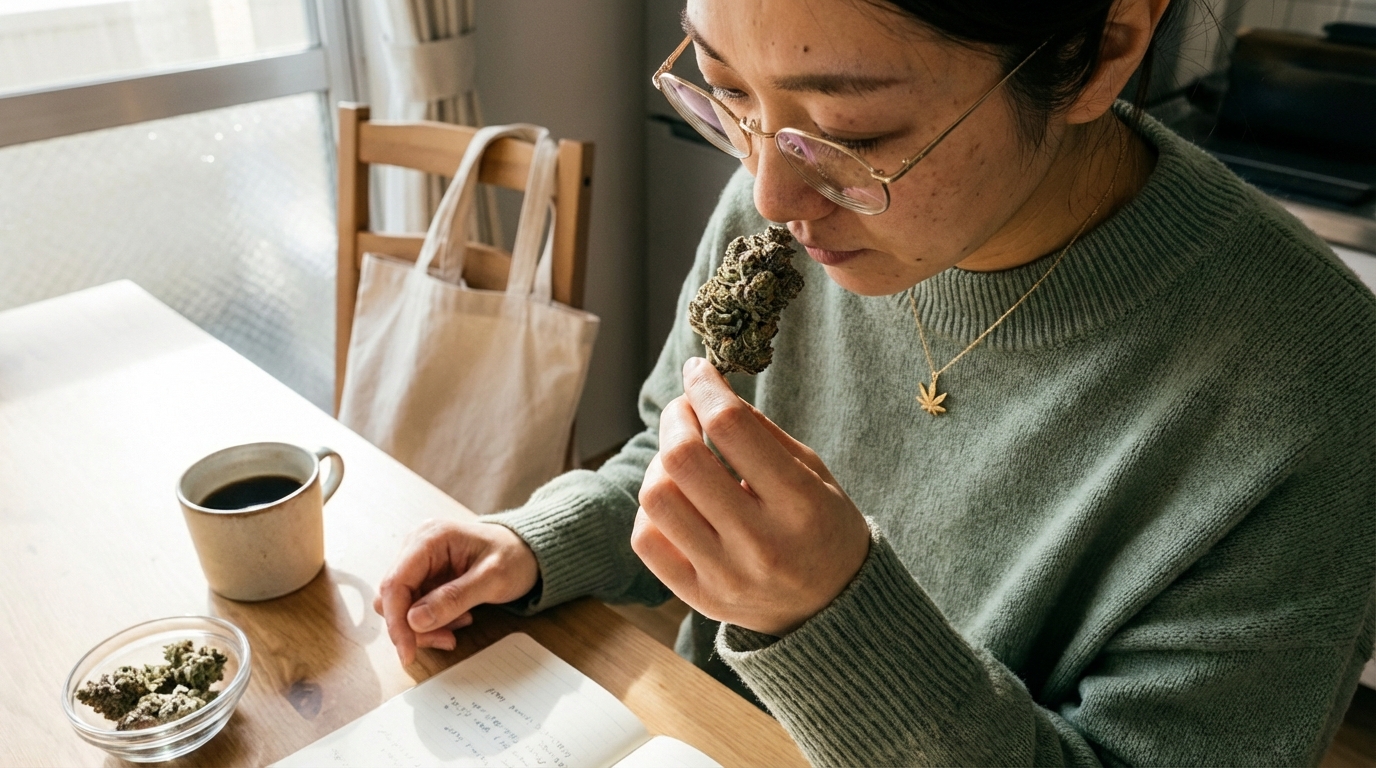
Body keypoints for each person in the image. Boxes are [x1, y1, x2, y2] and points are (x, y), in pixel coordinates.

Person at [374, 0, 1376, 763]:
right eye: (726, 90)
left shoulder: (1312, 397)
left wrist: (828, 614)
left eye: (852, 135)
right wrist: (534, 543)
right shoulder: (782, 202)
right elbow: (668, 456)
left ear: (1105, 47)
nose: (769, 190)